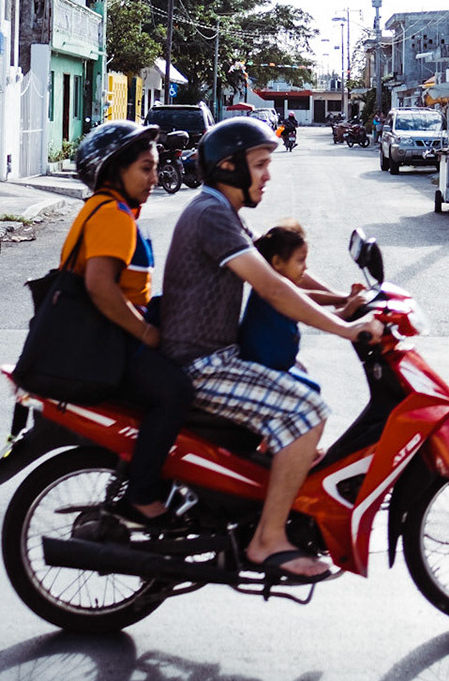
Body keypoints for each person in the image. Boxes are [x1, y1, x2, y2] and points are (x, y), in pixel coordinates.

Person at [160, 117, 373, 583]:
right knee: (308, 413)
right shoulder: (212, 214)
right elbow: (273, 288)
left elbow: (281, 272)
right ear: (229, 167)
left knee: (301, 386)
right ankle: (268, 539)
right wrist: (346, 329)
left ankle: (269, 492)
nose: (268, 175)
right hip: (203, 364)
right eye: (259, 165)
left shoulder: (222, 211)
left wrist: (343, 300)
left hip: (215, 355)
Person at [63, 120, 194, 529]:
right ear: (115, 171)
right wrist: (147, 332)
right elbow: (101, 287)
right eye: (145, 168)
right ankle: (142, 493)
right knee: (177, 391)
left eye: (155, 168)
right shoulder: (113, 216)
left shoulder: (105, 209)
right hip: (108, 346)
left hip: (103, 339)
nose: (155, 178)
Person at [236, 222, 317, 389]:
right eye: (300, 261)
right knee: (311, 390)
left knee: (304, 374)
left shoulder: (275, 289)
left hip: (276, 364)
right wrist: (345, 313)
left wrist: (343, 299)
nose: (306, 267)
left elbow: (306, 298)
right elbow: (309, 310)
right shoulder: (274, 293)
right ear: (277, 262)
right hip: (262, 369)